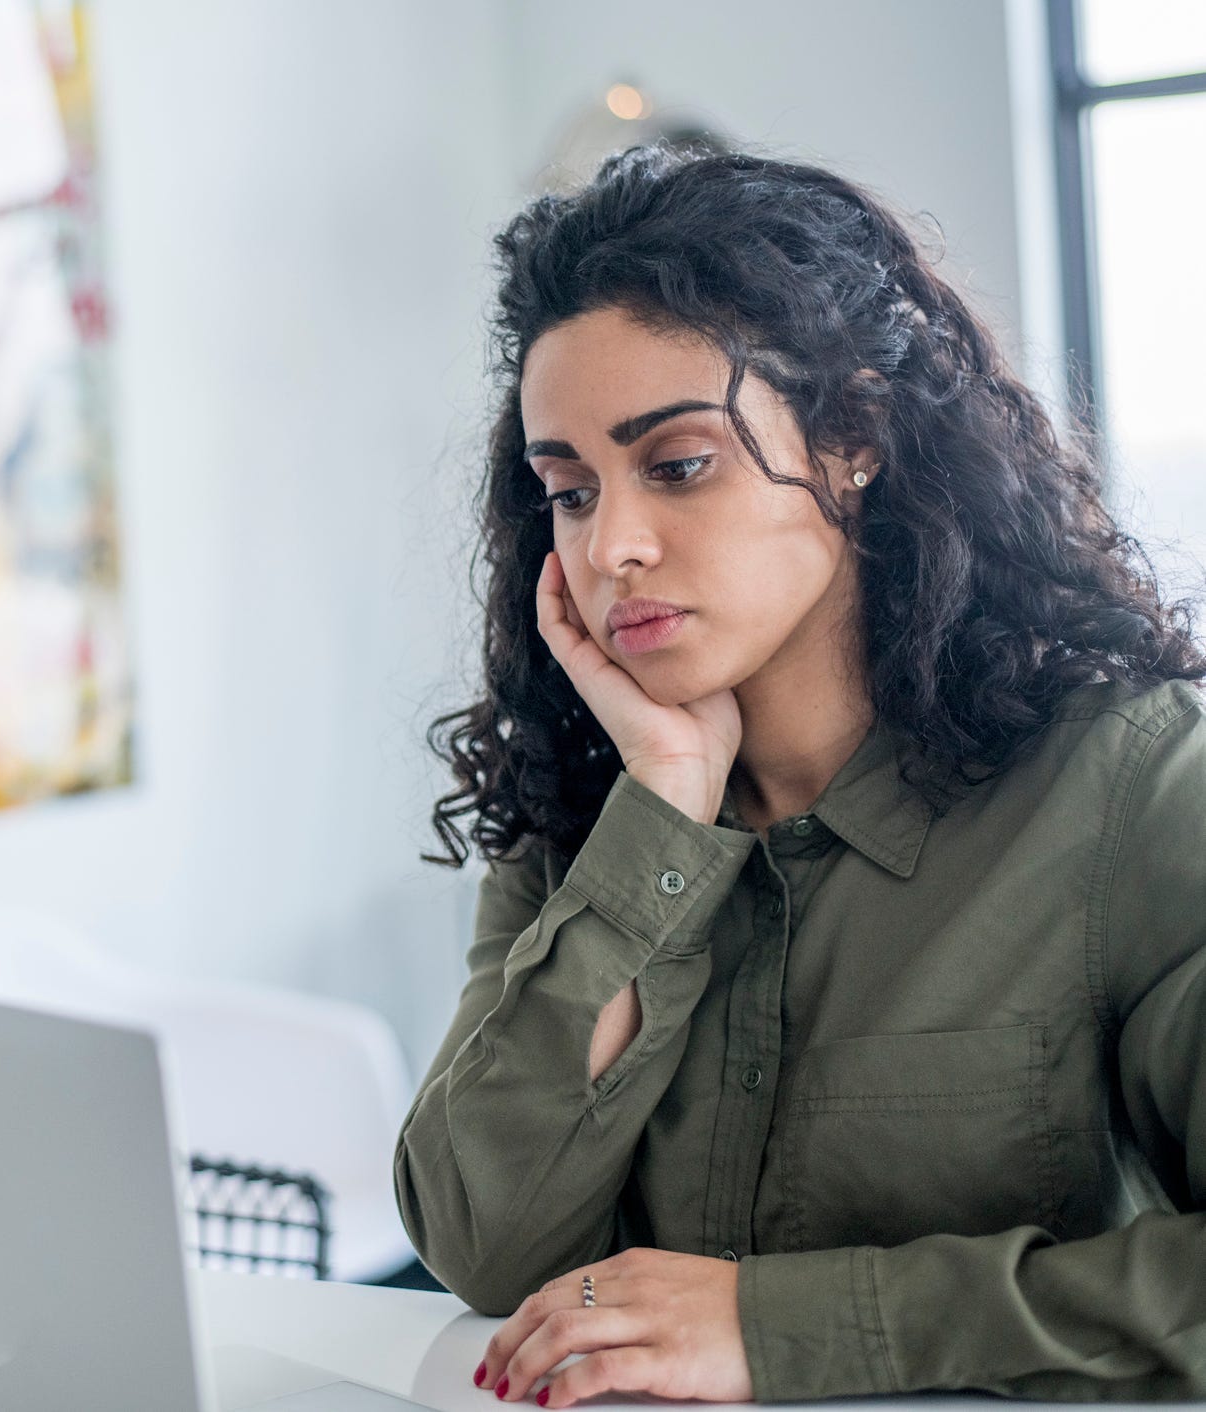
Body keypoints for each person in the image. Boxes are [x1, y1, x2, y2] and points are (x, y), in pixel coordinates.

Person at [396, 145, 1206, 1404]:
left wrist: (782, 1325)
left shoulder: (1132, 789)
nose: (611, 544)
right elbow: (479, 1243)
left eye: (675, 465)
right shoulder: (582, 809)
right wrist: (659, 813)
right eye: (566, 489)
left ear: (850, 440)